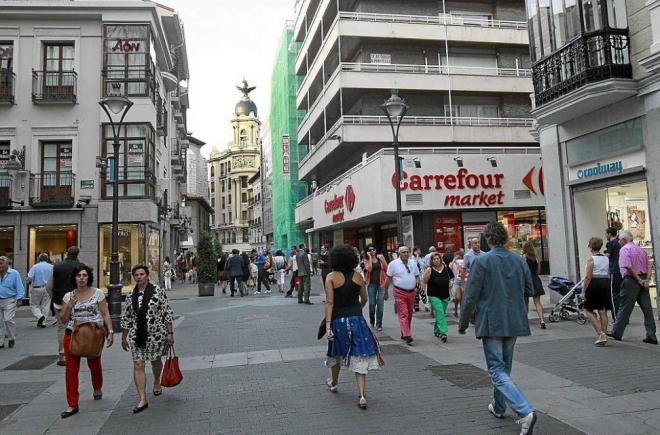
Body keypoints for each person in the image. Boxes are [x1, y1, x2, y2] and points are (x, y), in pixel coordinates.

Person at [459, 222, 537, 435]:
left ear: (488, 240)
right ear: (504, 238)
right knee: (504, 367)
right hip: (514, 319)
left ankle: (525, 410)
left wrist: (463, 322)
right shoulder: (518, 260)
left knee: (496, 368)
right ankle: (499, 405)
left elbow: (470, 295)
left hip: (492, 320)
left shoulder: (482, 261)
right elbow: (529, 289)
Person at [324, 244, 380, 409]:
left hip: (338, 321)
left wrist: (328, 325)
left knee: (336, 352)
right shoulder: (358, 276)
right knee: (359, 354)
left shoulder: (331, 277)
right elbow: (364, 298)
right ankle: (362, 394)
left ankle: (334, 383)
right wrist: (356, 310)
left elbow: (329, 302)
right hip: (356, 319)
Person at [59, 265, 113, 419]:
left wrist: (110, 331)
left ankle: (97, 387)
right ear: (74, 278)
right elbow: (63, 320)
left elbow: (105, 313)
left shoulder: (98, 294)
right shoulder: (68, 296)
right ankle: (72, 404)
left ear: (88, 277)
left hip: (93, 335)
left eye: (84, 275)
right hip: (73, 335)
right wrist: (69, 306)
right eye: (78, 275)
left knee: (94, 364)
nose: (82, 278)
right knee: (71, 370)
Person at [121, 264, 174, 414]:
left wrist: (170, 333)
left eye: (141, 274)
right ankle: (142, 399)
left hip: (156, 335)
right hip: (137, 336)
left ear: (147, 275)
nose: (139, 277)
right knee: (138, 364)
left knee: (156, 361)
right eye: (136, 275)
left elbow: (167, 312)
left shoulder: (158, 292)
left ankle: (157, 380)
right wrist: (124, 338)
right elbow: (127, 318)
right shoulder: (131, 296)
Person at [608, 230, 657, 344]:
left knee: (625, 306)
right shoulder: (641, 250)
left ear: (623, 240)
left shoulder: (625, 249)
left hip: (631, 280)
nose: (619, 242)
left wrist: (638, 280)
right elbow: (649, 266)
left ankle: (616, 332)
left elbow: (628, 267)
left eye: (620, 240)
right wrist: (646, 280)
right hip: (644, 278)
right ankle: (651, 335)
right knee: (647, 309)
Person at [49, 247, 83, 365]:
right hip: (77, 301)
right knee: (77, 326)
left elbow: (49, 285)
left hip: (60, 301)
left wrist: (53, 296)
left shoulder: (57, 266)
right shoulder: (81, 267)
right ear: (78, 255)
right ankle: (76, 351)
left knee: (62, 327)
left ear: (67, 254)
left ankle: (62, 354)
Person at [386, 245, 420, 345]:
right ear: (399, 254)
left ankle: (404, 331)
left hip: (411, 292)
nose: (406, 254)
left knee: (409, 313)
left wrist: (417, 286)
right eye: (403, 252)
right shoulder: (393, 264)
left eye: (407, 252)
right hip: (399, 291)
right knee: (404, 313)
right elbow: (388, 278)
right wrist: (386, 291)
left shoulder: (413, 263)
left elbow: (417, 276)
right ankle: (407, 335)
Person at [582, 237, 612, 346]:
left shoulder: (591, 259)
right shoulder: (606, 258)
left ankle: (600, 333)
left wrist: (583, 290)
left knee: (588, 309)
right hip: (605, 282)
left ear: (590, 246)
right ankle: (604, 334)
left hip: (594, 283)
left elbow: (588, 276)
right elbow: (608, 274)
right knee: (602, 310)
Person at [423, 253, 454, 342]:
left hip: (445, 294)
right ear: (431, 261)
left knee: (441, 313)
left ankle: (436, 330)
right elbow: (424, 281)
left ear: (440, 259)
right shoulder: (429, 270)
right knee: (440, 311)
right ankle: (443, 332)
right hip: (433, 295)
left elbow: (452, 277)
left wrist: (451, 282)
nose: (436, 260)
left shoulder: (446, 268)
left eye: (438, 259)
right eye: (434, 259)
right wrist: (424, 295)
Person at [362, 245, 389, 331]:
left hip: (381, 283)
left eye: (373, 249)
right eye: (370, 250)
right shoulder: (366, 260)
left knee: (380, 304)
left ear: (376, 250)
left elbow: (386, 268)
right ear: (367, 252)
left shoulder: (380, 258)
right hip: (371, 284)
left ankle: (379, 324)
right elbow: (369, 269)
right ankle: (372, 319)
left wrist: (383, 259)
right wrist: (370, 257)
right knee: (372, 304)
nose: (372, 251)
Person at [0, 256, 25, 349]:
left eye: (1, 263)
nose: (0, 265)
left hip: (10, 300)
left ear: (7, 264)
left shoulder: (14, 273)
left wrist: (19, 299)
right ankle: (1, 341)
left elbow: (19, 286)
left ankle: (11, 338)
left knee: (7, 319)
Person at [522, 241, 546, 329]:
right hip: (535, 280)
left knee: (525, 302)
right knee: (537, 302)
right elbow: (538, 271)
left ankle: (525, 321)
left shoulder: (523, 257)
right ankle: (542, 320)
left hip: (526, 280)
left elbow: (522, 270)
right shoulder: (536, 258)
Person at [27, 253, 53, 328]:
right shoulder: (51, 267)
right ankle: (43, 322)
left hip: (37, 288)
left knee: (34, 304)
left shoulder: (35, 266)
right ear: (47, 258)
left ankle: (40, 316)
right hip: (48, 288)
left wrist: (28, 282)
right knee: (46, 305)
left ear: (39, 259)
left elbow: (30, 277)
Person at [604, 227, 622, 321]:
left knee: (614, 295)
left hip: (614, 271)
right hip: (621, 271)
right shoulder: (619, 243)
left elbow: (607, 256)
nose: (606, 235)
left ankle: (616, 318)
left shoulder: (610, 243)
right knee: (621, 294)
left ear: (610, 234)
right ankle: (623, 318)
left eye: (606, 234)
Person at [449, 253, 464, 317]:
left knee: (462, 298)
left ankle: (461, 311)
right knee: (458, 297)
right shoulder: (452, 263)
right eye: (456, 257)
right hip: (456, 282)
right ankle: (455, 309)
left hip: (463, 282)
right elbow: (449, 267)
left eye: (459, 257)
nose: (458, 259)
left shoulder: (463, 263)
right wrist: (454, 260)